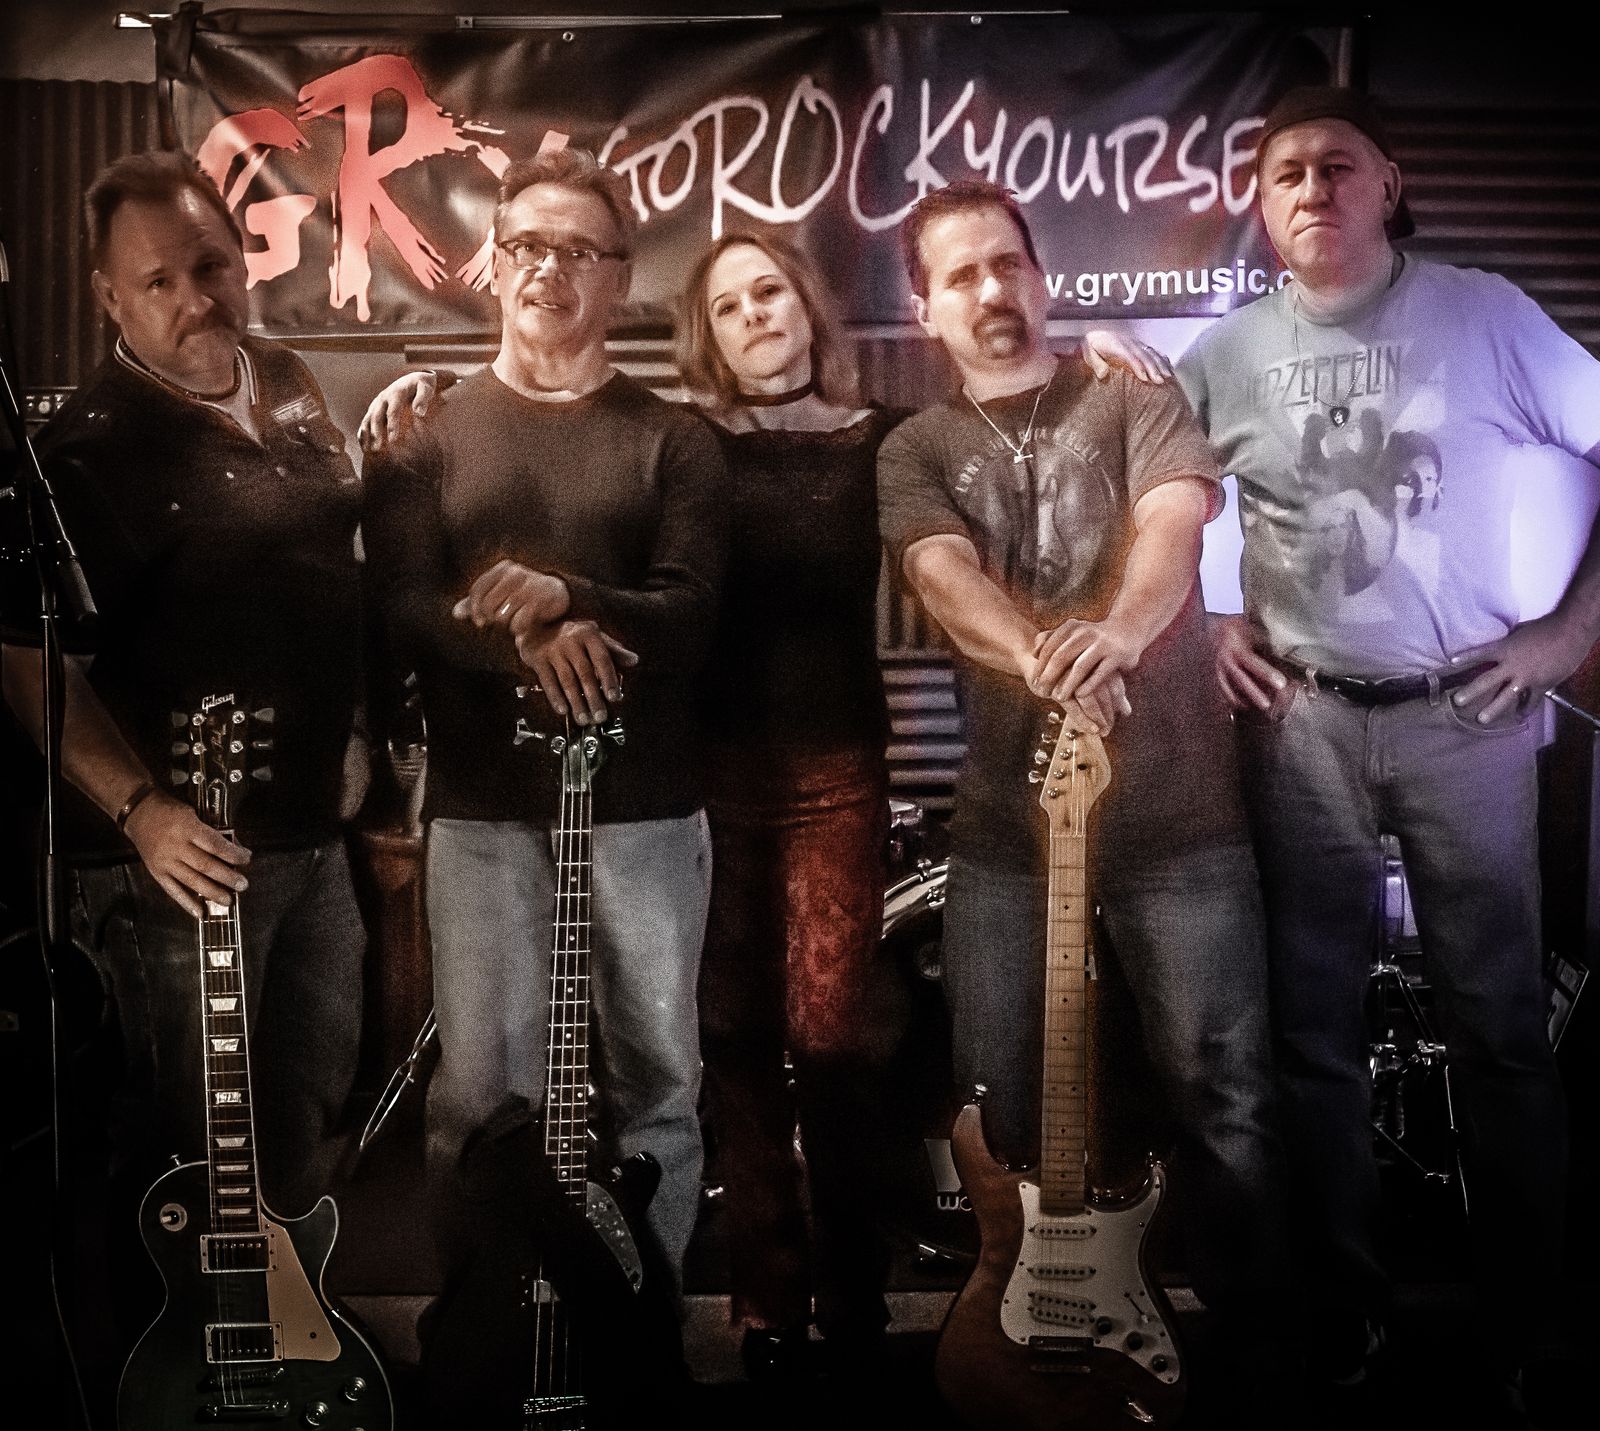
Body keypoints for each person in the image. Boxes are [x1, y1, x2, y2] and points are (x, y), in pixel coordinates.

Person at [1176, 85, 1593, 1397]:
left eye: (1338, 165)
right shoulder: (1225, 353)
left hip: (1466, 717)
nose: (1313, 187)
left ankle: (1521, 1329)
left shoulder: (1483, 315)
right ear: (1258, 204)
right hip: (1299, 728)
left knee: (1501, 1034)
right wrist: (1209, 620)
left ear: (1390, 184)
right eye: (1286, 172)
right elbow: (1151, 512)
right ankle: (1346, 1315)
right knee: (1312, 1042)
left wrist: (1565, 635)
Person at [875, 179, 1288, 1372]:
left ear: (1042, 276)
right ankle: (1029, 1345)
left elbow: (1173, 527)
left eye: (1006, 263)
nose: (989, 290)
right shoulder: (914, 446)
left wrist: (1121, 632)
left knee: (1226, 1096)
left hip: (1179, 821)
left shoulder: (1130, 392)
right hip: (1006, 835)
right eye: (960, 275)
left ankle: (1257, 1353)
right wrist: (1049, 664)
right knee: (998, 1106)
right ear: (923, 308)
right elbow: (942, 575)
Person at [0, 148, 366, 1400]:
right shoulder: (81, 455)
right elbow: (25, 668)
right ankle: (170, 1388)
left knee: (302, 1122)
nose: (197, 297)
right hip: (171, 869)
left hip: (312, 843)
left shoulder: (294, 387)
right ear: (110, 298)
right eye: (159, 281)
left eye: (212, 265)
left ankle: (284, 1360)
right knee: (178, 1157)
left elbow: (324, 576)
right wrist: (142, 810)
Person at [359, 146, 726, 1295]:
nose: (547, 270)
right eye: (525, 245)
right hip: (482, 813)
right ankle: (487, 1331)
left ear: (622, 276)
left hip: (647, 812)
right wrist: (525, 638)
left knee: (657, 1085)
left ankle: (641, 1333)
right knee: (478, 1094)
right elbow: (404, 606)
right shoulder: (424, 435)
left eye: (577, 250)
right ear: (492, 262)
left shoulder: (675, 439)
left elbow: (691, 616)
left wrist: (573, 598)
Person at [676, 230, 909, 1379]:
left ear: (808, 305)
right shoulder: (685, 444)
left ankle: (856, 1297)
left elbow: (1003, 433)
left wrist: (1100, 358)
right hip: (708, 777)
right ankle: (767, 1302)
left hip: (836, 775)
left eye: (768, 291)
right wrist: (425, 392)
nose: (754, 315)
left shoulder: (883, 439)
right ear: (708, 339)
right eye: (727, 307)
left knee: (830, 1044)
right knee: (733, 1038)